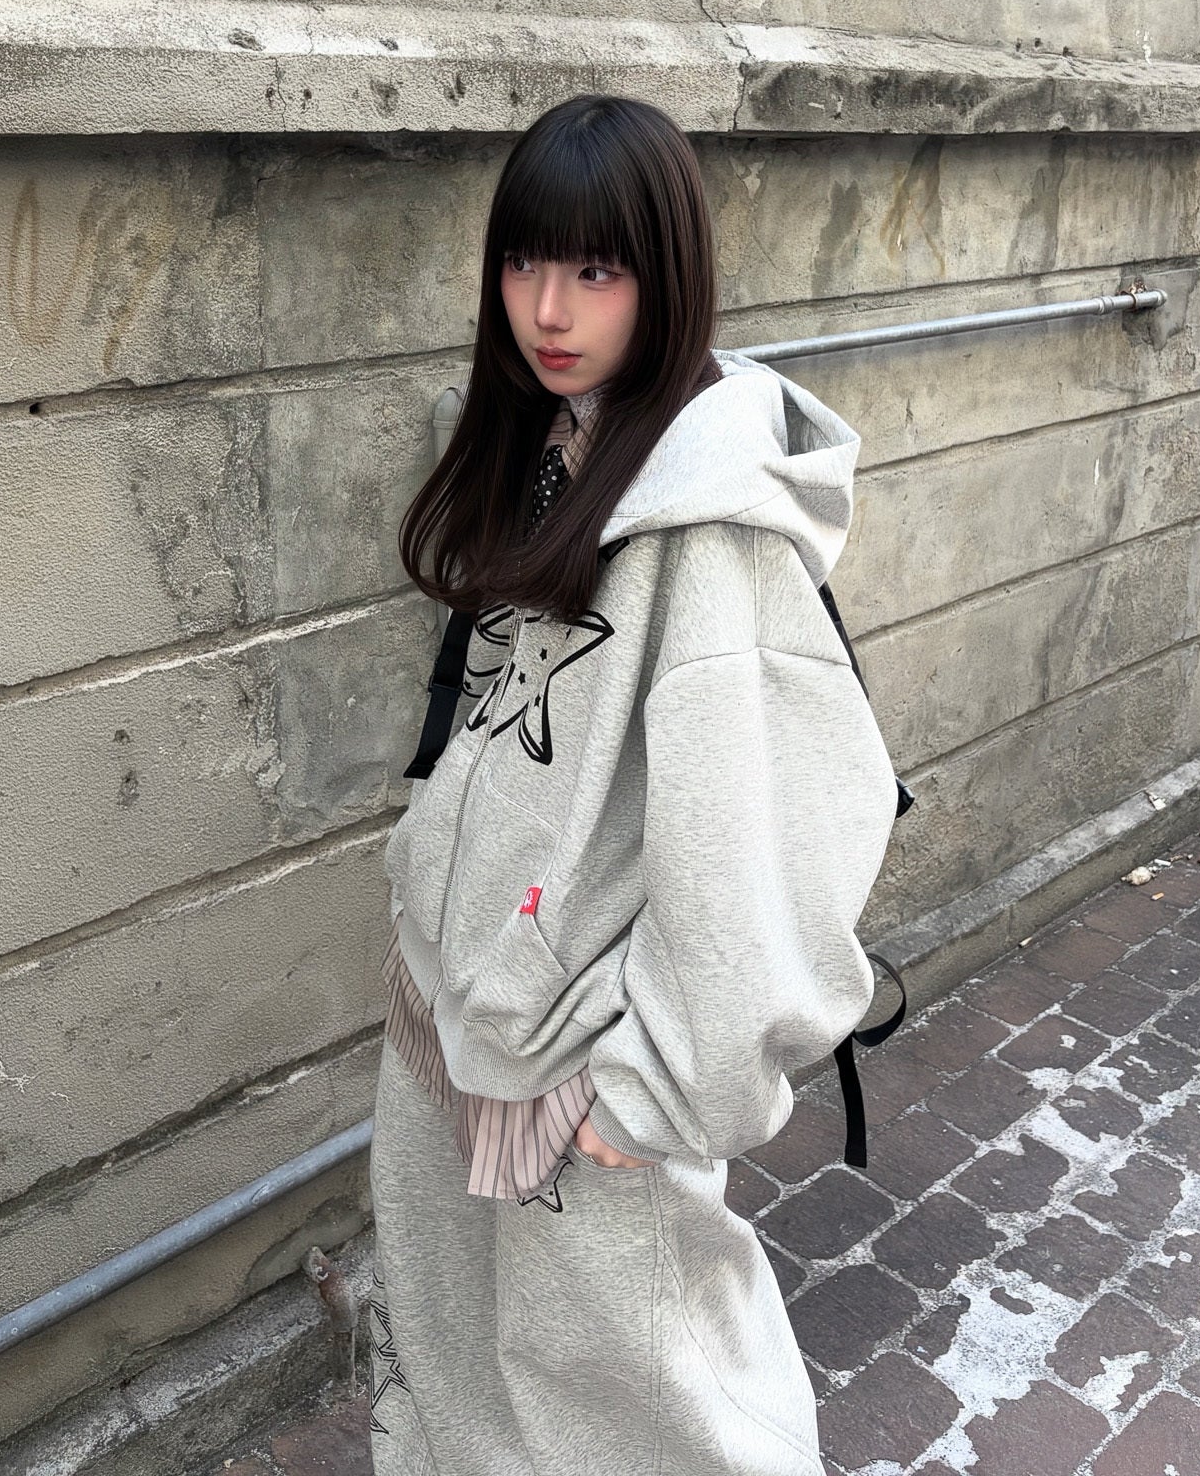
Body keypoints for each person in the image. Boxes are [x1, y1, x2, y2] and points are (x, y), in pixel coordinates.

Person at [366, 93, 902, 1475]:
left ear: (665, 277)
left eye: (596, 270)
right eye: (524, 262)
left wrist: (661, 1086)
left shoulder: (709, 531)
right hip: (464, 1004)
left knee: (648, 1402)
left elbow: (757, 839)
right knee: (461, 1343)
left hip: (584, 1056)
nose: (548, 308)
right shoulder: (556, 445)